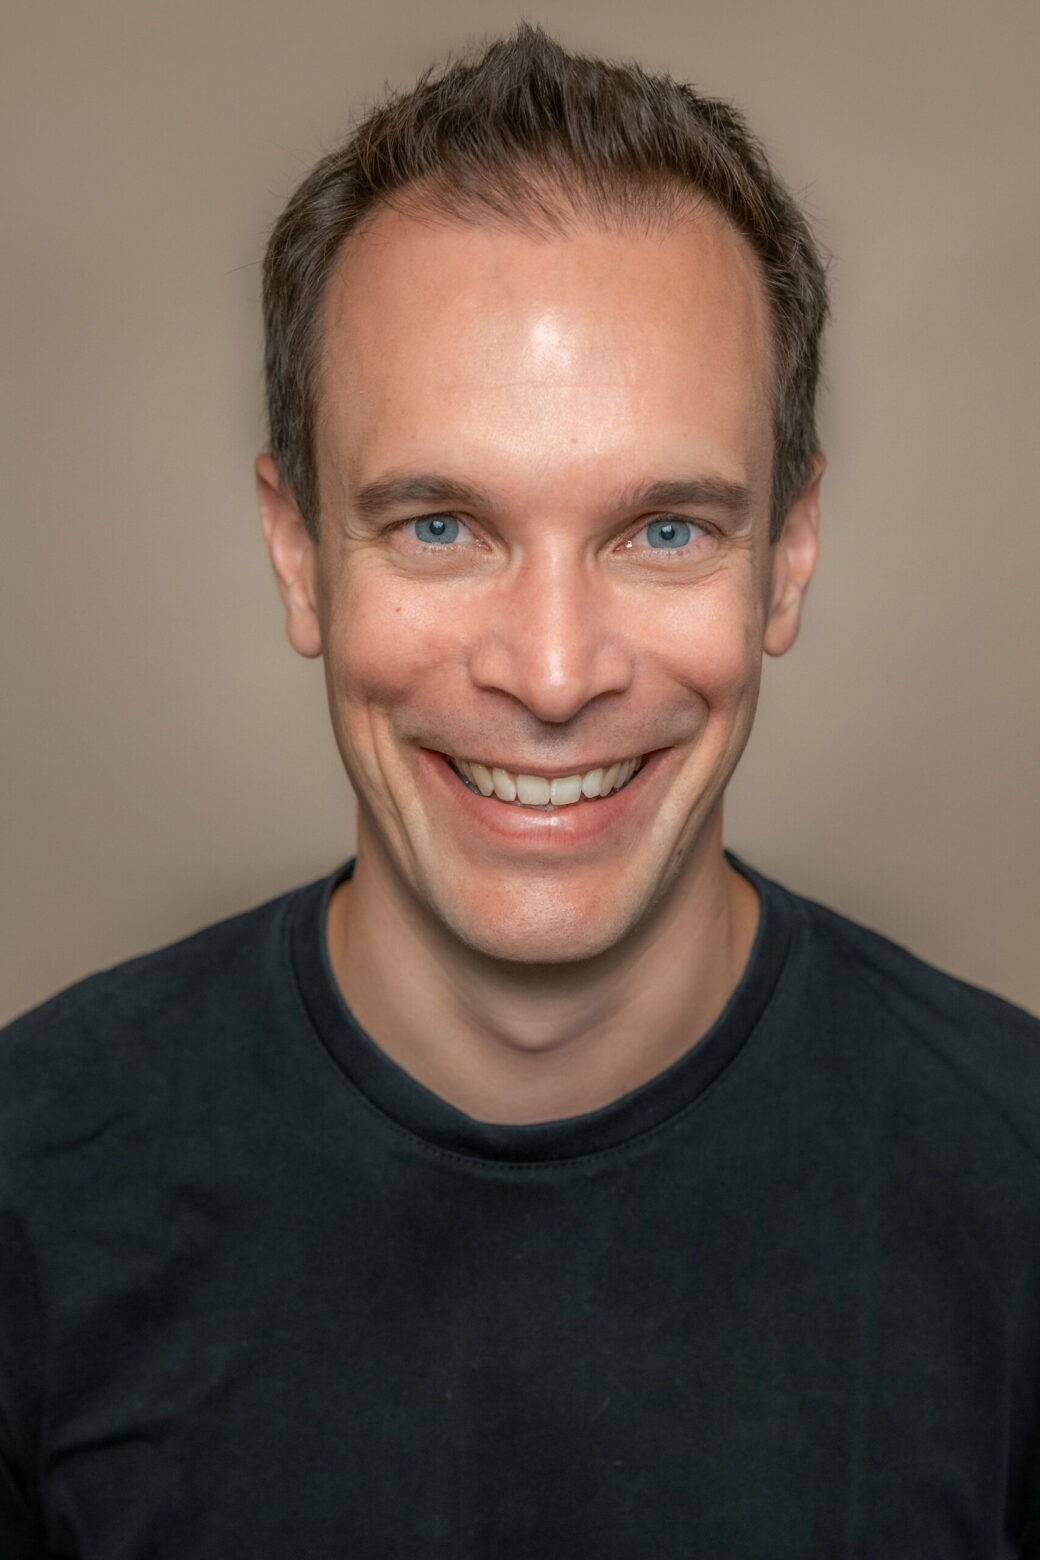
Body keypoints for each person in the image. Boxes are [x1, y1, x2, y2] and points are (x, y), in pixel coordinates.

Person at [2, 24, 1038, 1558]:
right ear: (298, 554)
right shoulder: (28, 1187)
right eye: (440, 526)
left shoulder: (1018, 1191)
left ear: (788, 553)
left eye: (664, 531)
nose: (553, 674)